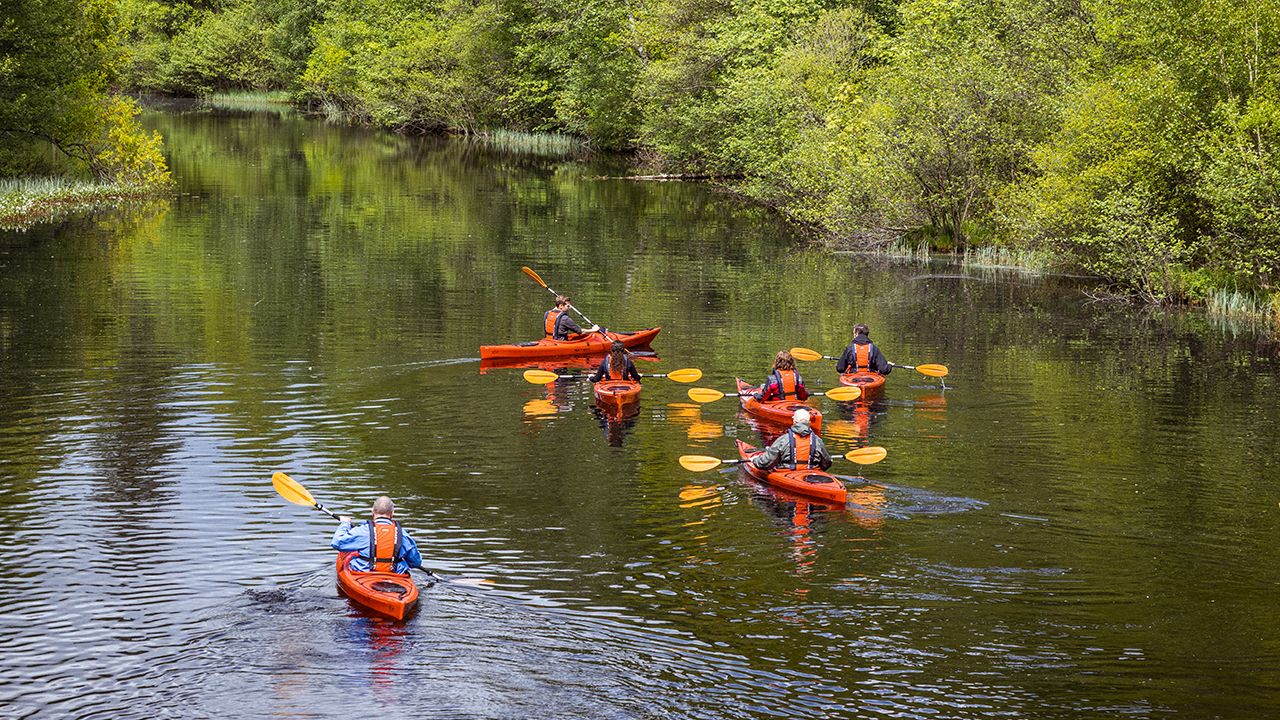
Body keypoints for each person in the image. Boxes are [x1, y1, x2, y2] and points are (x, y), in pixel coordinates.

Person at [331, 496, 423, 574]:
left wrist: (345, 523)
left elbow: (337, 543)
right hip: (395, 575)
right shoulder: (403, 534)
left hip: (364, 574)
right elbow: (415, 562)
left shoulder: (361, 531)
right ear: (392, 514)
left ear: (372, 512)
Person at [750, 408, 833, 471]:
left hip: (787, 473)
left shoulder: (783, 440)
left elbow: (765, 463)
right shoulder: (817, 441)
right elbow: (827, 463)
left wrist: (755, 460)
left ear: (794, 421)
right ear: (809, 422)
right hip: (811, 473)